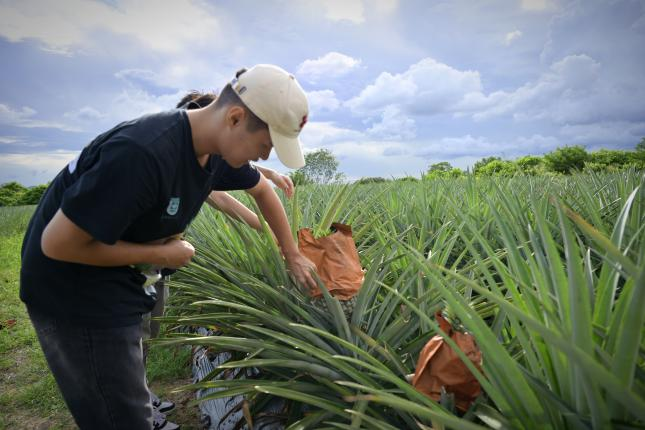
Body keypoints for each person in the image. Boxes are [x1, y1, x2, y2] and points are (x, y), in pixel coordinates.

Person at [20, 64, 317, 429]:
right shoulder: (142, 152)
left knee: (129, 385)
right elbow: (57, 243)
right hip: (74, 291)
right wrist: (160, 254)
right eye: (266, 145)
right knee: (118, 417)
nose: (265, 158)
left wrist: (292, 255)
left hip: (121, 276)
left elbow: (262, 190)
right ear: (236, 118)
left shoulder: (214, 149)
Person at [141, 90, 295, 427]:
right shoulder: (172, 159)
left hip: (158, 264)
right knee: (131, 336)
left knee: (146, 333)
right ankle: (137, 410)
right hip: (133, 264)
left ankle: (140, 396)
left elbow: (242, 175)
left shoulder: (208, 158)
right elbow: (226, 201)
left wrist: (278, 240)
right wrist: (275, 239)